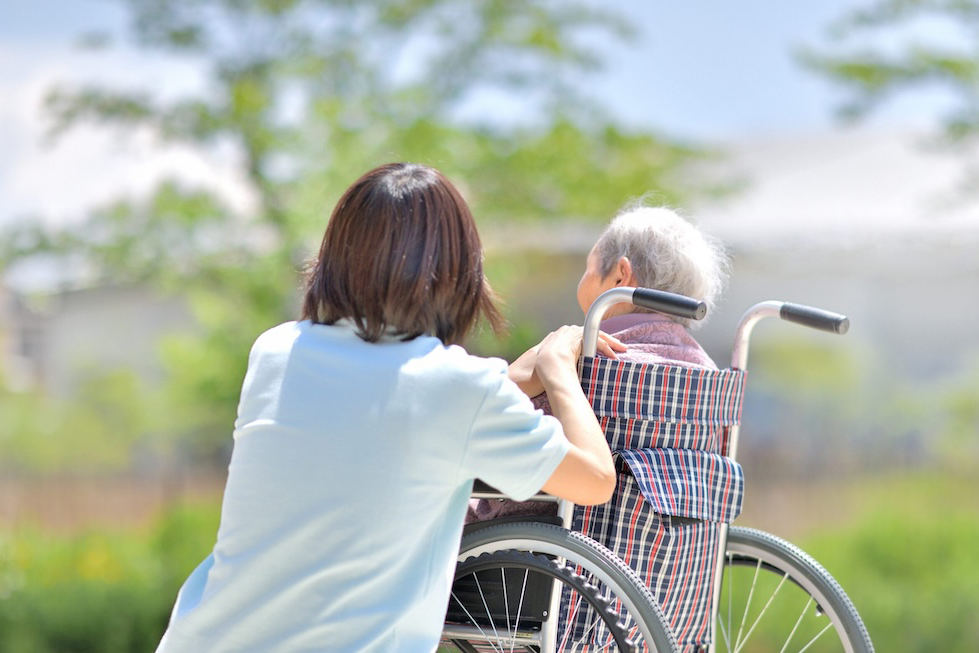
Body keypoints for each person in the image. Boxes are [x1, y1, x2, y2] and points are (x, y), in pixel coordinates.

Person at [154, 163, 620, 653]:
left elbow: (383, 407)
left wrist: (506, 381)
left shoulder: (275, 351)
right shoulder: (460, 389)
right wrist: (556, 367)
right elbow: (595, 480)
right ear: (455, 273)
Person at [467, 201, 729, 522]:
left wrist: (544, 359)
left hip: (526, 542)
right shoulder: (709, 376)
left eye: (587, 268)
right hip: (659, 548)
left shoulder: (584, 361)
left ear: (620, 275)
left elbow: (478, 422)